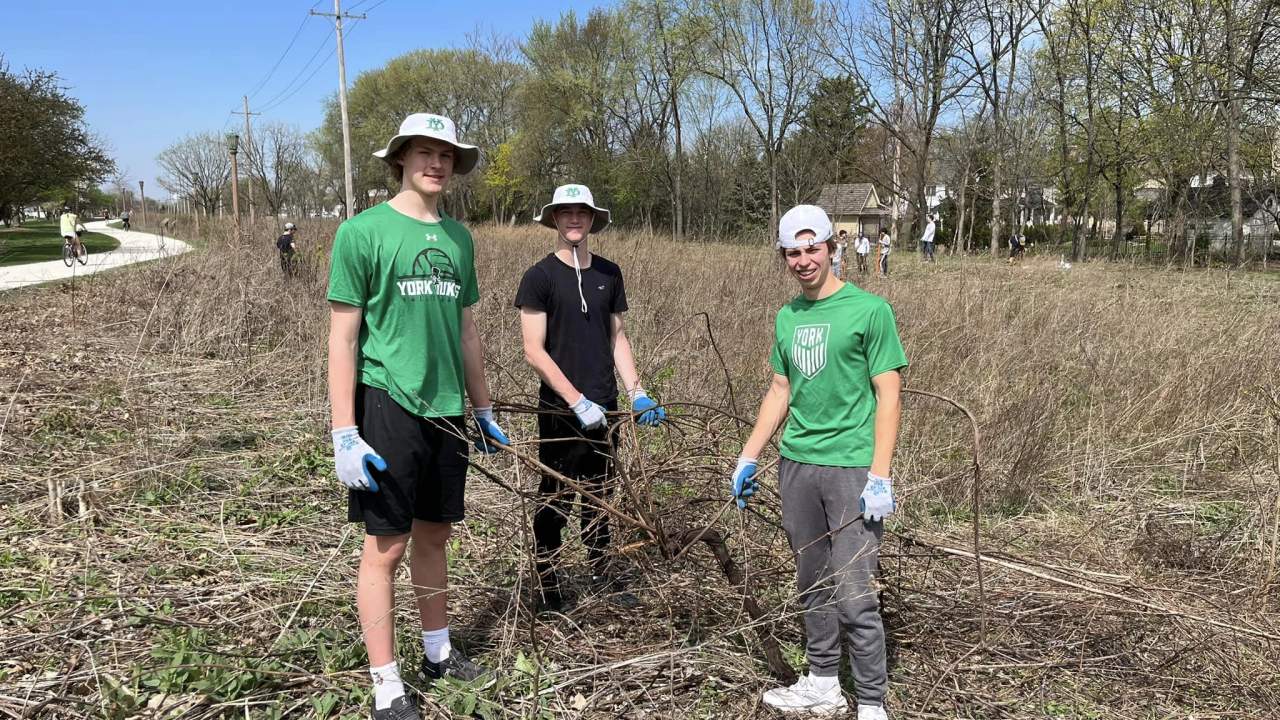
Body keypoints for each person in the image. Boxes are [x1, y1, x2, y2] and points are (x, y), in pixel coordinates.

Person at [326, 112, 511, 720]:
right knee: (387, 546)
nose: (436, 163)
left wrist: (481, 406)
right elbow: (343, 338)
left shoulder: (459, 239)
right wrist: (344, 429)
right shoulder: (363, 232)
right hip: (388, 402)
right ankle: (387, 686)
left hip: (448, 410)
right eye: (424, 152)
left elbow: (466, 330)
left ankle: (438, 652)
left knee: (436, 534)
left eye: (447, 155)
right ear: (400, 159)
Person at [731, 205, 906, 720]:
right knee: (812, 580)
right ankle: (823, 681)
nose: (804, 260)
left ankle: (872, 702)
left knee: (854, 589)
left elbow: (889, 395)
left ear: (833, 248)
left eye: (813, 249)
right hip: (797, 465)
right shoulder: (788, 317)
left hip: (852, 469)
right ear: (783, 256)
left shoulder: (870, 311)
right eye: (793, 252)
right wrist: (749, 455)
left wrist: (879, 474)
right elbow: (781, 388)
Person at [515, 183, 667, 613]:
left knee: (601, 495)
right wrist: (576, 400)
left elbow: (617, 337)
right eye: (566, 212)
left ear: (592, 219)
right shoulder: (539, 277)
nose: (574, 219)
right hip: (561, 413)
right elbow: (533, 350)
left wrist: (636, 391)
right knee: (556, 496)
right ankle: (548, 583)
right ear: (555, 220)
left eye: (582, 212)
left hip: (607, 404)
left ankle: (602, 573)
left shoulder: (609, 274)